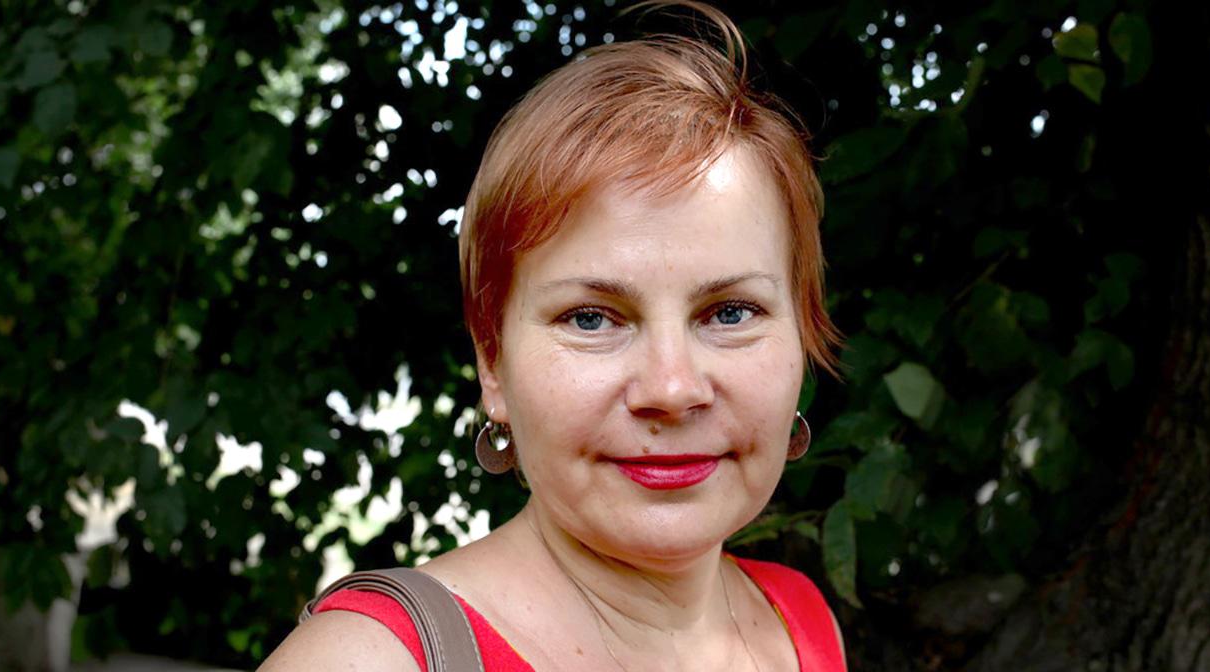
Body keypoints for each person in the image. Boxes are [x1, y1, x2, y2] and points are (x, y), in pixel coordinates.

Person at [261, 2, 846, 670]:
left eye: (731, 312)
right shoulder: (366, 660)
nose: (672, 388)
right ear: (492, 362)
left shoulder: (799, 618)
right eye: (591, 318)